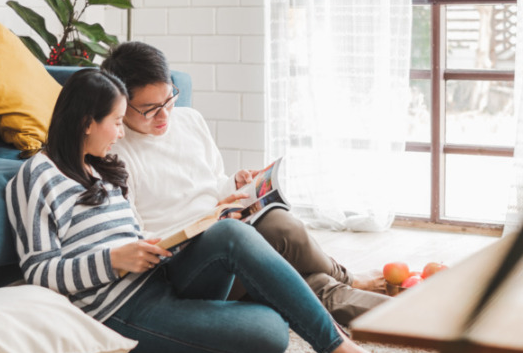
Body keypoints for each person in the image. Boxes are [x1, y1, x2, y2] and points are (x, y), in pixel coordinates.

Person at [5, 68, 410, 353]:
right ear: (85, 123)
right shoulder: (37, 177)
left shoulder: (103, 168)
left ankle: (337, 345)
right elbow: (39, 270)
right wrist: (115, 260)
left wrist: (169, 241)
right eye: (116, 121)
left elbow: (132, 236)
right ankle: (329, 311)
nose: (122, 134)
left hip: (157, 278)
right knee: (270, 335)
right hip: (122, 310)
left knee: (229, 231)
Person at [100, 41, 390, 325]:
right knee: (280, 228)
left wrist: (233, 185)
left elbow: (209, 182)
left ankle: (415, 317)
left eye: (168, 99)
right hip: (186, 264)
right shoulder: (115, 153)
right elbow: (135, 237)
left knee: (309, 282)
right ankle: (352, 279)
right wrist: (206, 224)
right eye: (149, 109)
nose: (164, 115)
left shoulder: (190, 120)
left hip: (225, 229)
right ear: (122, 105)